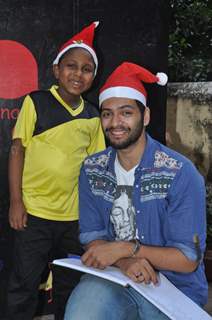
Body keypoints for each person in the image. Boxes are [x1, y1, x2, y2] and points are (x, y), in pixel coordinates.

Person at [64, 62, 208, 320]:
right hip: (114, 275)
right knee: (81, 315)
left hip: (173, 287)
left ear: (146, 116)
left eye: (126, 113)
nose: (115, 123)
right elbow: (92, 236)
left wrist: (126, 249)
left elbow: (187, 259)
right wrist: (124, 261)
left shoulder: (180, 174)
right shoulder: (92, 169)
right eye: (107, 114)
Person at [6, 21, 105, 320]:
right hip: (34, 212)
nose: (78, 74)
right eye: (71, 66)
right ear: (56, 70)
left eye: (87, 69)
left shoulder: (92, 116)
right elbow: (17, 151)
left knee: (69, 285)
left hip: (73, 218)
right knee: (23, 282)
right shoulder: (36, 102)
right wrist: (16, 201)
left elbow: (96, 167)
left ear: (93, 76)